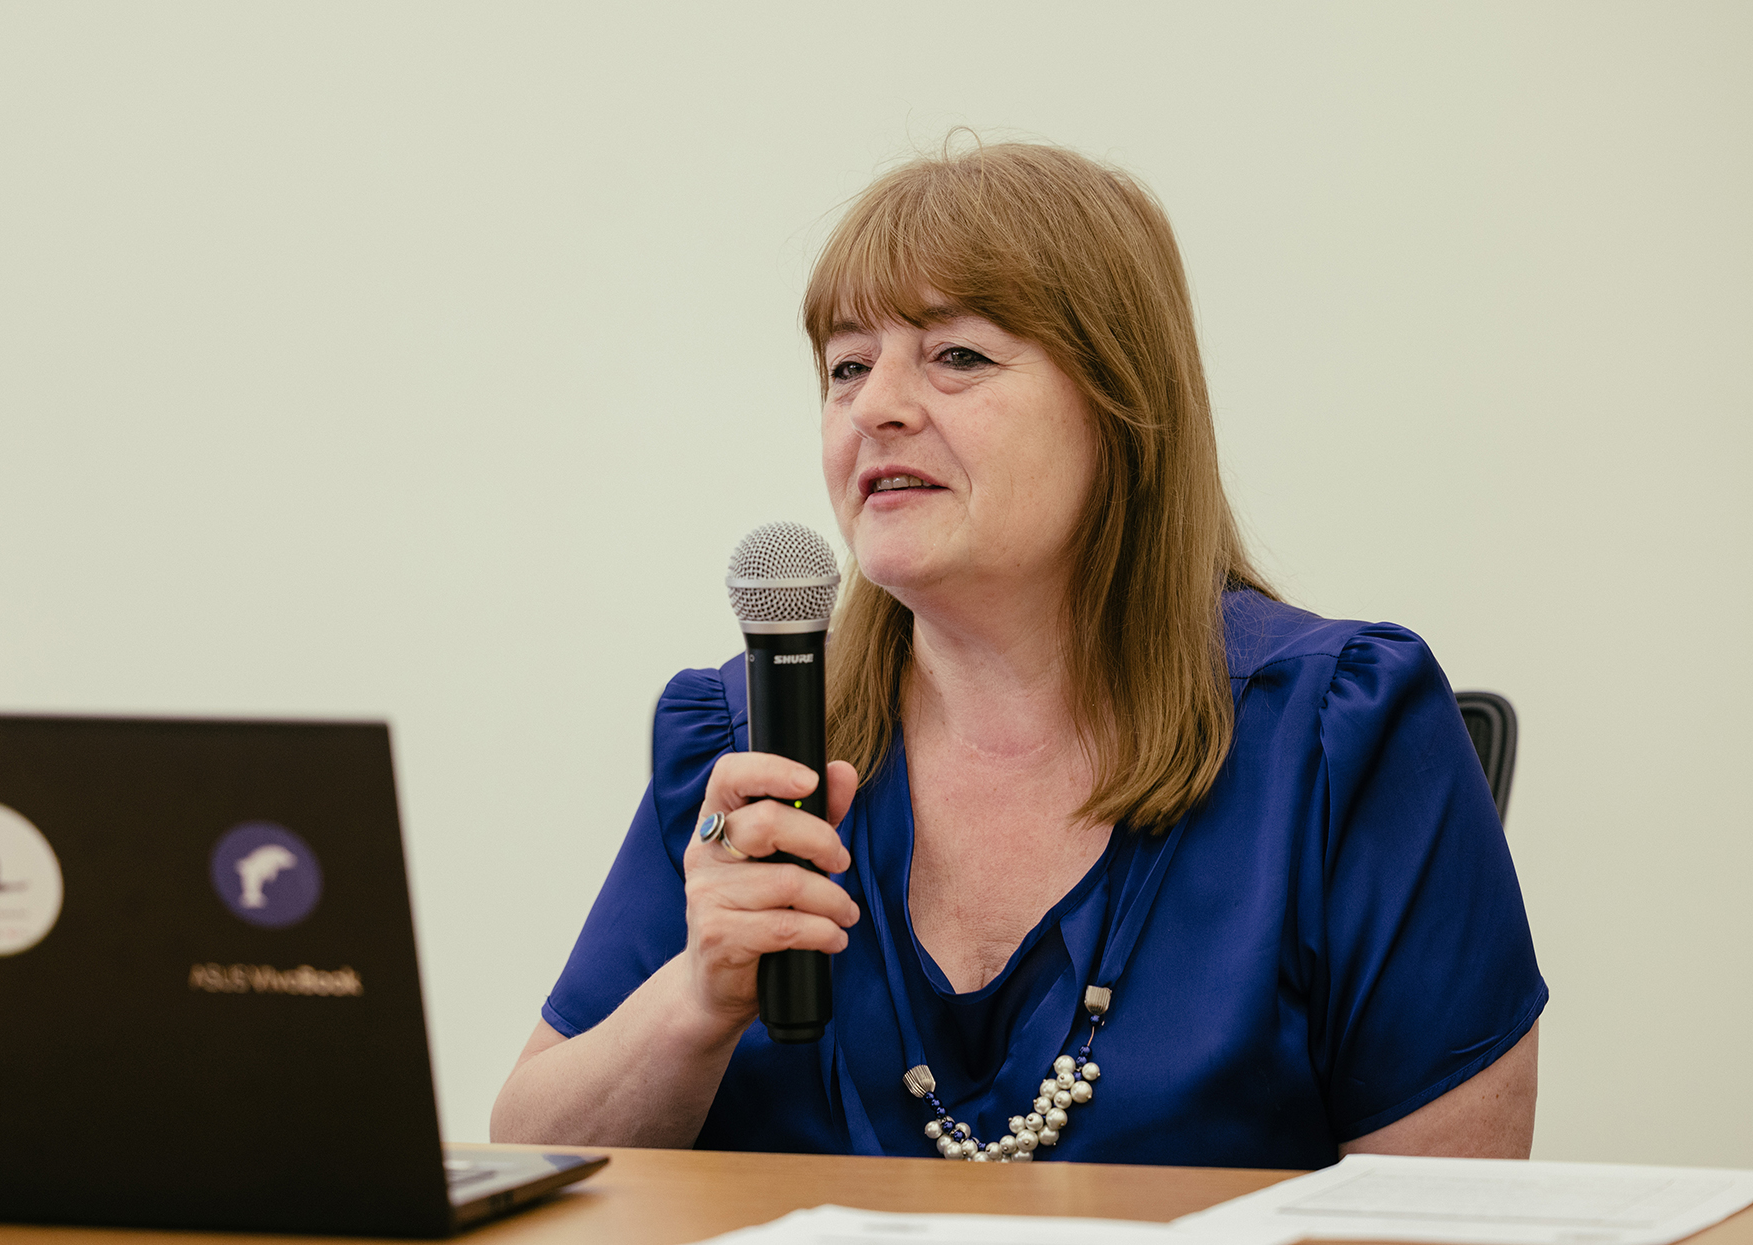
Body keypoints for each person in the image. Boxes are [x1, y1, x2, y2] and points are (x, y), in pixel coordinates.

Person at [492, 142, 1545, 1167]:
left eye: (958, 356)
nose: (875, 407)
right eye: (846, 367)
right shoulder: (747, 743)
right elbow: (534, 1155)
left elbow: (1439, 1221)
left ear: (1122, 405)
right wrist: (696, 998)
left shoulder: (1337, 737)